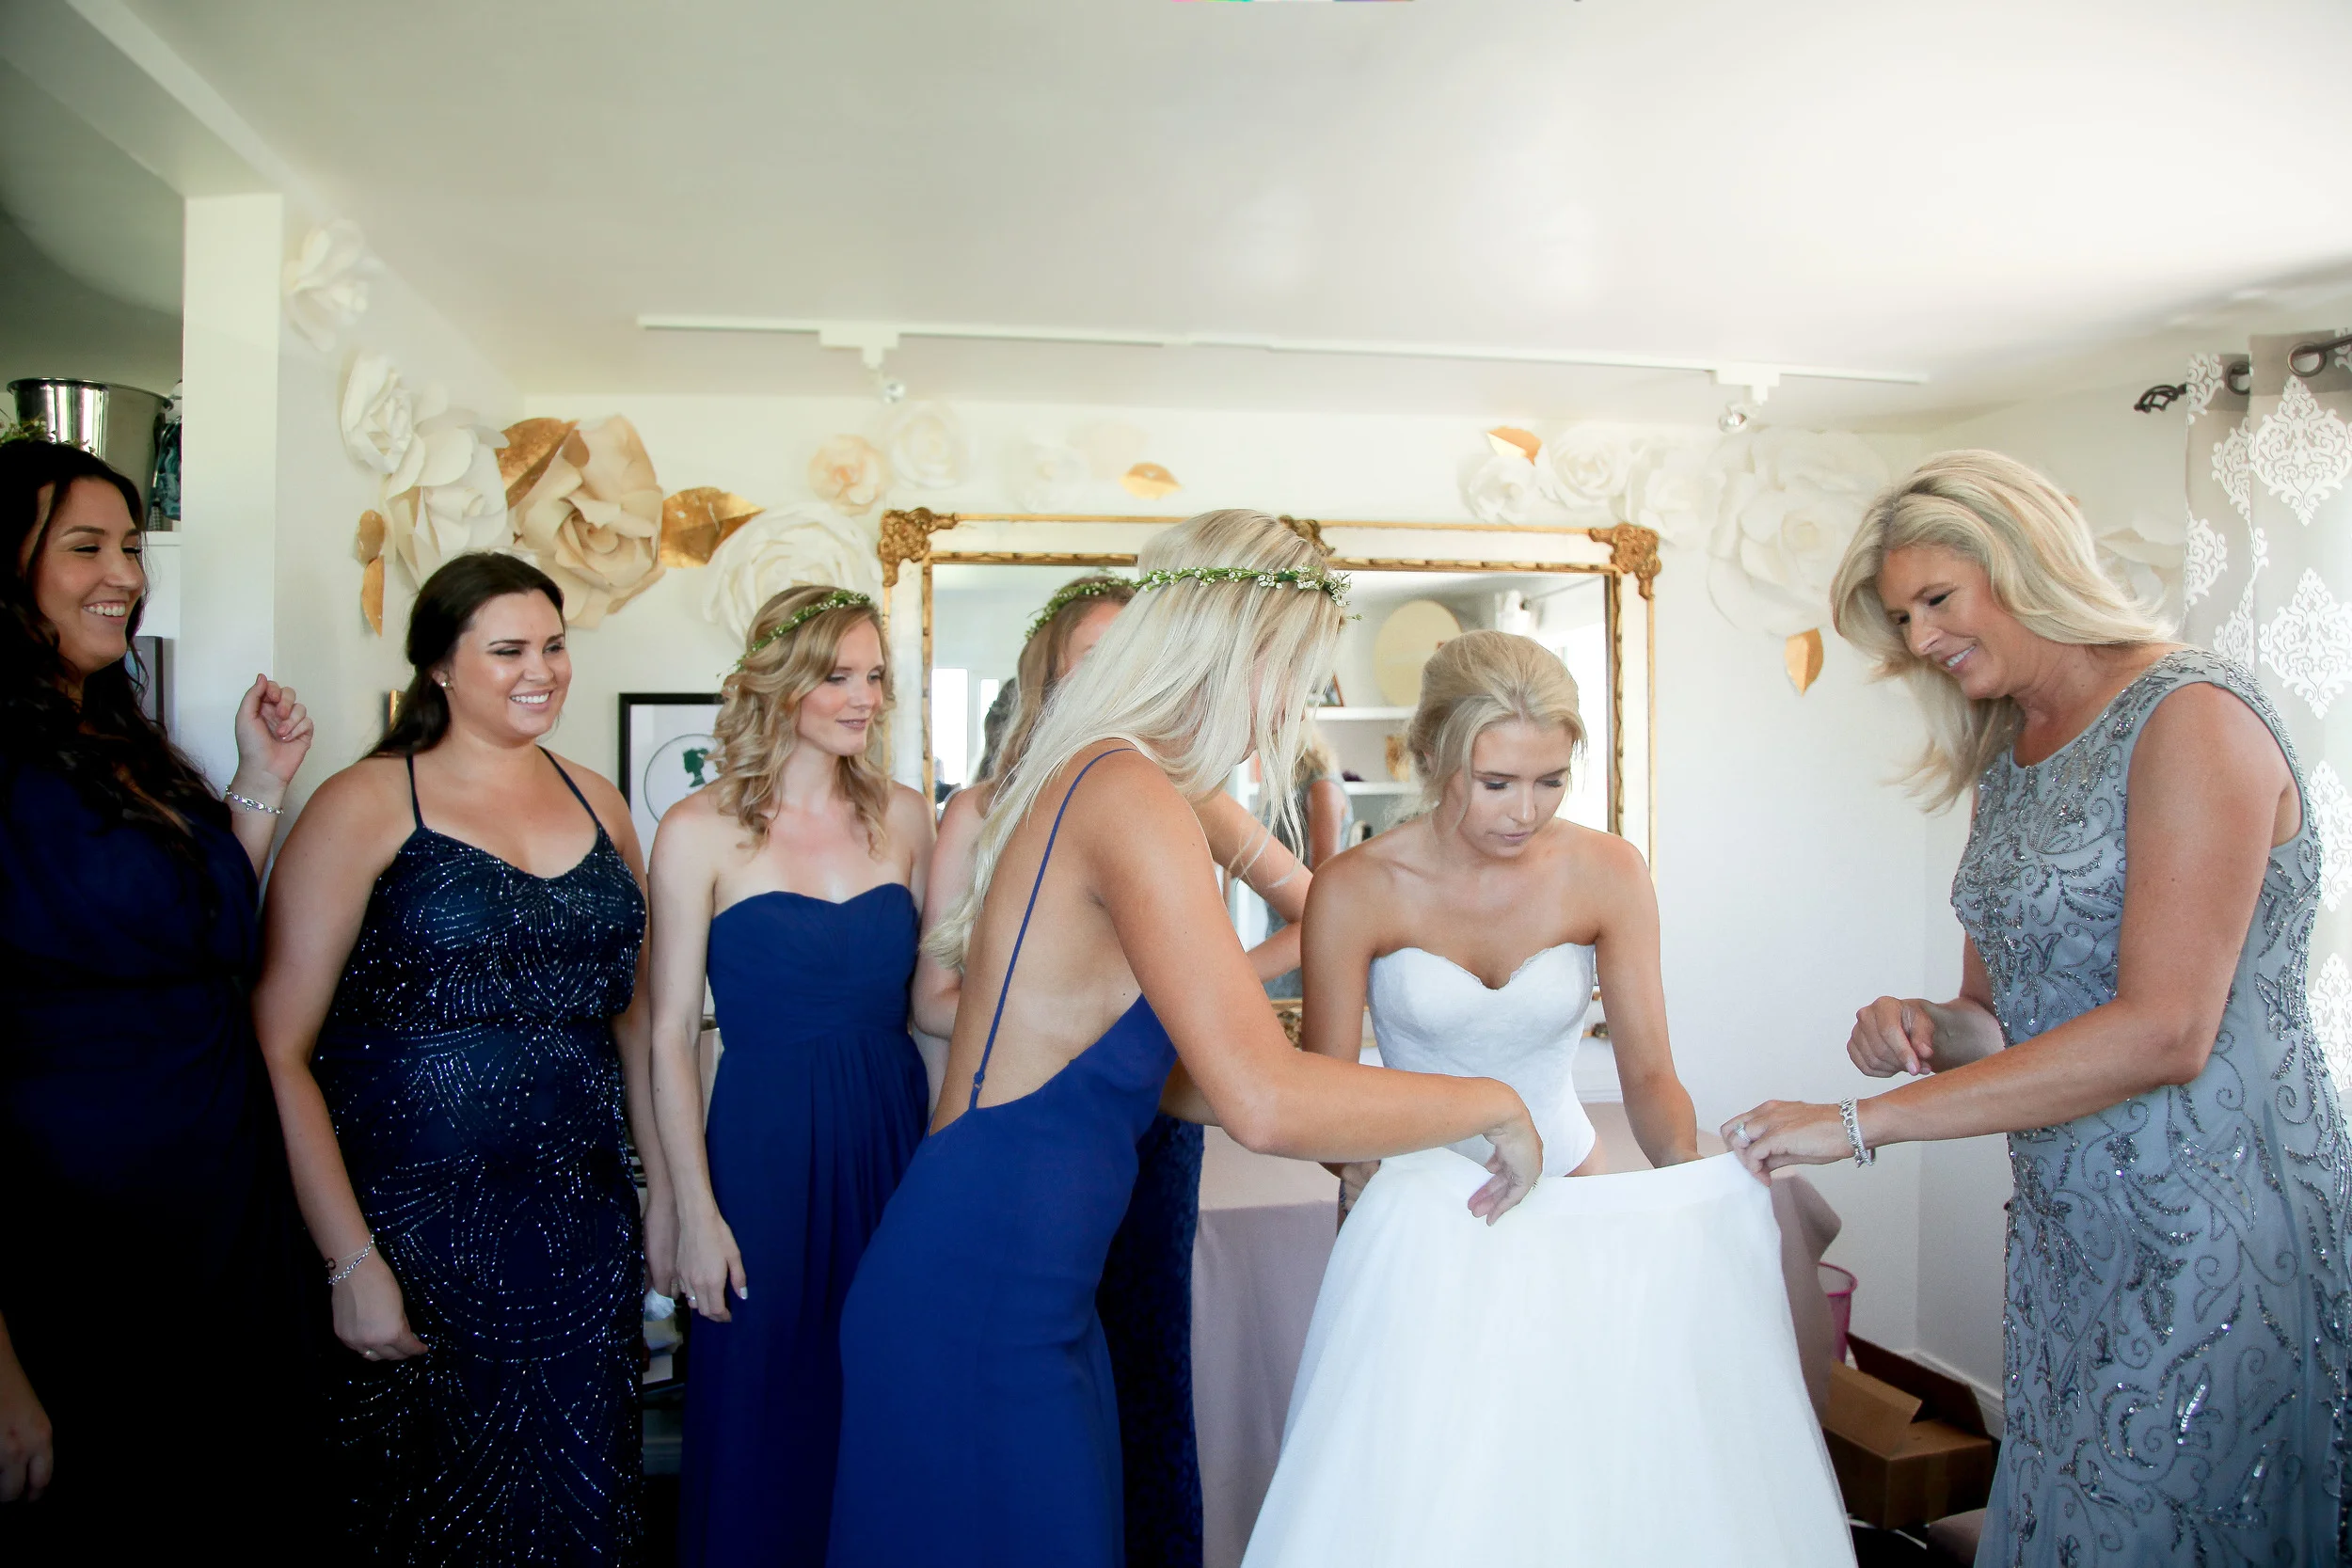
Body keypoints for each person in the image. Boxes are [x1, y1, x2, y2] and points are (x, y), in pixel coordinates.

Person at [826, 509, 1545, 1568]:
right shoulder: (1127, 790)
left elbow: (1163, 1078)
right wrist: (1493, 1102)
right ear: (1236, 647)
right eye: (1292, 673)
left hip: (1029, 1290)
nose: (1293, 707)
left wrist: (1376, 1125)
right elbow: (1263, 1097)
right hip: (982, 1296)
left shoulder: (1118, 776)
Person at [1724, 451, 2352, 1566]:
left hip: (2218, 1219)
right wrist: (1927, 1023)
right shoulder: (2008, 756)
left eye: (1935, 600)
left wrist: (1859, 1123)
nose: (1919, 638)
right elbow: (1999, 1017)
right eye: (1900, 617)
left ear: (2024, 561)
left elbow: (2165, 1029)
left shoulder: (2189, 713)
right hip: (2072, 1227)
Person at [1241, 630, 1851, 1567]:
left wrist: (1689, 1181)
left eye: (1550, 780)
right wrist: (1365, 1175)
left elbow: (1649, 1073)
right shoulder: (1358, 886)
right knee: (1422, 1497)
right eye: (1496, 782)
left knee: (1577, 1485)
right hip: (1417, 1221)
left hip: (1570, 1200)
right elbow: (1322, 1097)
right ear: (1432, 755)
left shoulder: (1607, 870)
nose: (1524, 810)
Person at [256, 552, 668, 1563]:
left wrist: (663, 1196)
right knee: (418, 1521)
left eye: (555, 646)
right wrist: (350, 1260)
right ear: (439, 665)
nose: (543, 671)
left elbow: (638, 1020)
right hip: (411, 1235)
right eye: (509, 650)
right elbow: (278, 1043)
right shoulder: (364, 802)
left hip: (580, 1232)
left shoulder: (601, 801)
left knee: (579, 1511)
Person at [912, 572, 1311, 1568]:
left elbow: (1320, 907)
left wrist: (1207, 989)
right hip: (1047, 1122)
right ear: (1046, 679)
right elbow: (933, 998)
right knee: (1039, 1397)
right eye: (1091, 658)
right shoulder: (988, 807)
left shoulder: (1183, 795)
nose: (1119, 674)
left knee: (1146, 1368)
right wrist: (1094, 1038)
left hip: (1155, 1129)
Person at [0, 438, 324, 1559]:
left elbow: (209, 929)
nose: (125, 576)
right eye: (85, 546)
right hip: (77, 1224)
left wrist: (260, 781)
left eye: (132, 548)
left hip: (217, 1190)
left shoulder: (114, 736)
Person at [650, 585, 936, 1566]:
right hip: (762, 1158)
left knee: (891, 1401)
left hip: (895, 1146)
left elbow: (935, 1013)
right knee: (765, 1408)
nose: (865, 698)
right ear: (778, 682)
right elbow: (667, 1033)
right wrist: (694, 1211)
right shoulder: (697, 828)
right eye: (838, 675)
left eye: (875, 676)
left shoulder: (906, 818)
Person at [1259, 720, 1349, 1000]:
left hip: (1305, 941)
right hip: (1284, 930)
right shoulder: (1292, 789)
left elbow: (1323, 877)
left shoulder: (1321, 788)